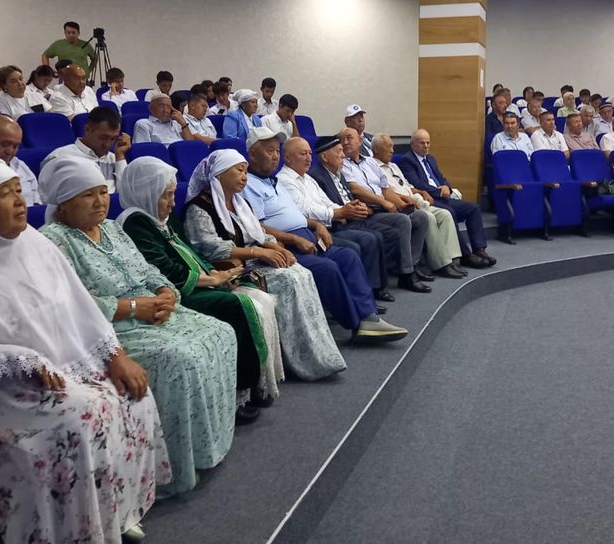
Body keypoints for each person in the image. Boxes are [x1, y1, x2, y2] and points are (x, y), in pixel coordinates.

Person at [0, 156, 168, 544]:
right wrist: (20, 358)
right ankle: (75, 532)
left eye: (19, 190)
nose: (20, 201)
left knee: (130, 394)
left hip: (58, 372)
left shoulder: (36, 246)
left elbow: (81, 309)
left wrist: (117, 357)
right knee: (80, 420)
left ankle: (112, 512)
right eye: (3, 194)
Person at [39, 156, 242, 496]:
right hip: (111, 327)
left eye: (102, 192)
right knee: (179, 359)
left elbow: (147, 271)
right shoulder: (53, 240)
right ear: (63, 203)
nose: (100, 201)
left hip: (152, 309)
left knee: (221, 333)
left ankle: (207, 444)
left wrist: (166, 292)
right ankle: (174, 466)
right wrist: (133, 307)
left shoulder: (113, 229)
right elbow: (68, 304)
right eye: (88, 195)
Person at [117, 156, 280, 404]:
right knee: (237, 306)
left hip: (200, 281)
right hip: (176, 292)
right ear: (146, 192)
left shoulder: (164, 218)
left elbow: (191, 252)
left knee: (254, 293)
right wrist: (211, 279)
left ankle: (260, 382)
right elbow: (162, 269)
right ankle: (241, 389)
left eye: (173, 194)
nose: (173, 203)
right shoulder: (135, 222)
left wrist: (216, 274)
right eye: (166, 196)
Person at [180, 150, 362, 366]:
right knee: (288, 280)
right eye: (239, 171)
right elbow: (211, 248)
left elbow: (257, 233)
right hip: (232, 270)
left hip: (254, 260)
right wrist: (259, 252)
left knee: (302, 273)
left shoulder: (239, 203)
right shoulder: (199, 208)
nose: (244, 177)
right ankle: (298, 358)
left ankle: (315, 350)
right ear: (219, 174)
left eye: (246, 171)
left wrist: (276, 247)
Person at [244, 128, 409, 337]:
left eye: (277, 150)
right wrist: (295, 237)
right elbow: (257, 227)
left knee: (348, 256)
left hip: (309, 234)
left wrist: (317, 226)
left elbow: (297, 215)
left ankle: (369, 316)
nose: (275, 156)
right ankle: (356, 324)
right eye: (270, 151)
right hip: (286, 244)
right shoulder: (249, 185)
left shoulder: (273, 181)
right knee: (328, 267)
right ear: (252, 154)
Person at [280, 136, 398, 298]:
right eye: (303, 154)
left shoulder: (307, 178)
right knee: (362, 243)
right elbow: (304, 210)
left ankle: (372, 290)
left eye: (309, 153)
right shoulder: (285, 180)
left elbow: (326, 202)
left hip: (331, 223)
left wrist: (346, 208)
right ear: (287, 158)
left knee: (375, 236)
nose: (308, 158)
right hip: (312, 231)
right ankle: (362, 294)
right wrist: (339, 213)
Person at [337, 127, 432, 291]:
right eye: (342, 140)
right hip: (370, 210)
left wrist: (400, 203)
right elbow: (355, 189)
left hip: (384, 206)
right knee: (402, 221)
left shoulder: (370, 162)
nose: (345, 142)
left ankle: (413, 264)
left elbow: (385, 188)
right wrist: (383, 202)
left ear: (360, 141)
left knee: (420, 217)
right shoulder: (342, 164)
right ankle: (406, 274)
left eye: (349, 138)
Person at [371, 133, 466, 278]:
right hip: (402, 204)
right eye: (389, 147)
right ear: (377, 149)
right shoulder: (373, 168)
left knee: (445, 214)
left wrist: (421, 191)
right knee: (428, 217)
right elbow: (383, 192)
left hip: (416, 199)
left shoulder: (394, 166)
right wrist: (407, 199)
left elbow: (408, 186)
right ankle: (441, 264)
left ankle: (453, 260)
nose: (392, 151)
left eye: (393, 147)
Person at [401, 128, 497, 269]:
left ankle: (479, 249)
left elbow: (441, 178)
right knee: (450, 212)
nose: (426, 146)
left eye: (428, 143)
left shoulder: (430, 158)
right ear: (413, 144)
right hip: (429, 199)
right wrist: (439, 192)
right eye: (422, 143)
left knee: (473, 208)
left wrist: (446, 187)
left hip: (442, 196)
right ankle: (465, 255)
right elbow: (417, 183)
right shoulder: (407, 160)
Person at [44, 106, 130, 192]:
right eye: (103, 138)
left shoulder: (114, 158)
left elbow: (127, 194)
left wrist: (120, 156)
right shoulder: (60, 157)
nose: (108, 144)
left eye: (113, 139)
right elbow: (48, 195)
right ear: (87, 129)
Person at [0, 114, 41, 206]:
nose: (10, 151)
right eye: (4, 144)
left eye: (15, 146)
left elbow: (37, 203)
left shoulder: (21, 166)